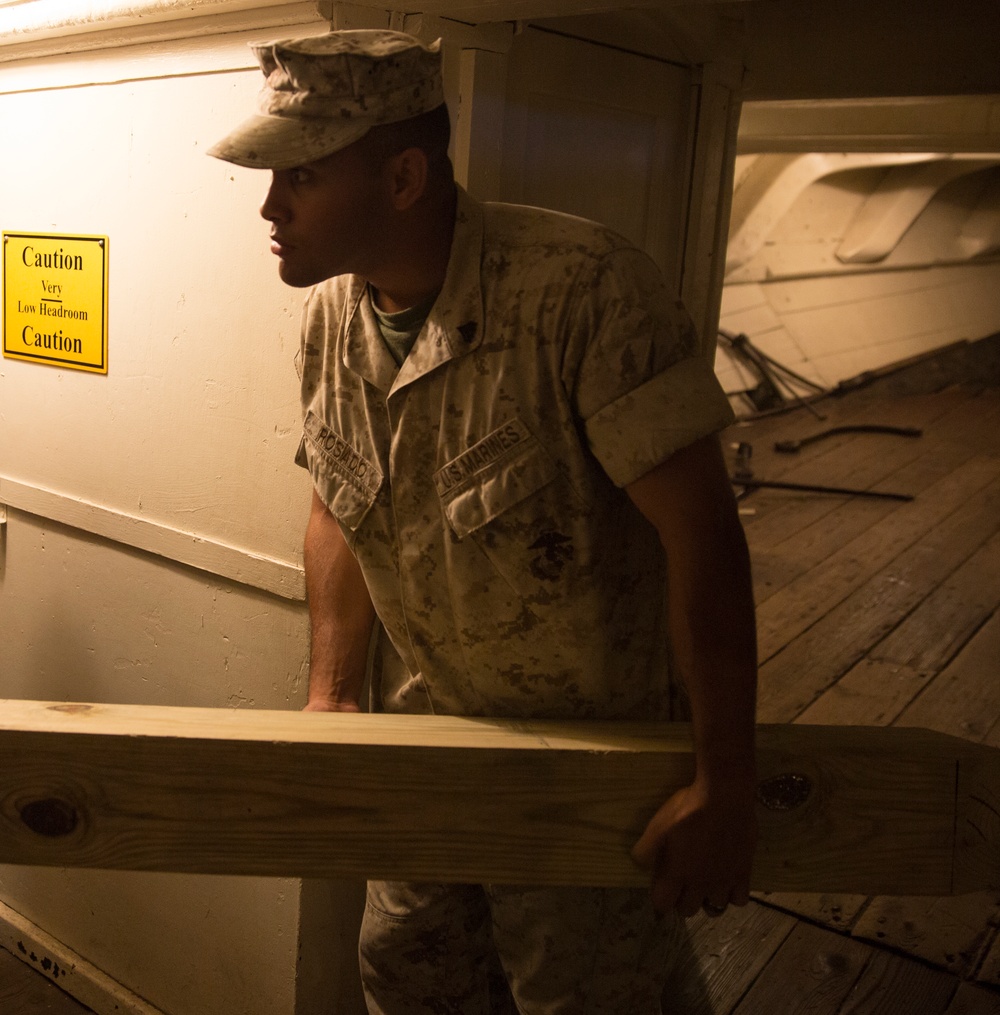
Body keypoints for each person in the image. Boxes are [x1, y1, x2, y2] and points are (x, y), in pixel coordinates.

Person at [209, 28, 758, 1015]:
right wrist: (333, 697)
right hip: (427, 742)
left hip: (588, 767)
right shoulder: (331, 320)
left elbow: (703, 537)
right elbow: (338, 502)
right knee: (410, 973)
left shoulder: (583, 292)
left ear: (404, 177)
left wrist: (725, 779)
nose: (270, 205)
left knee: (590, 997)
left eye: (302, 176)